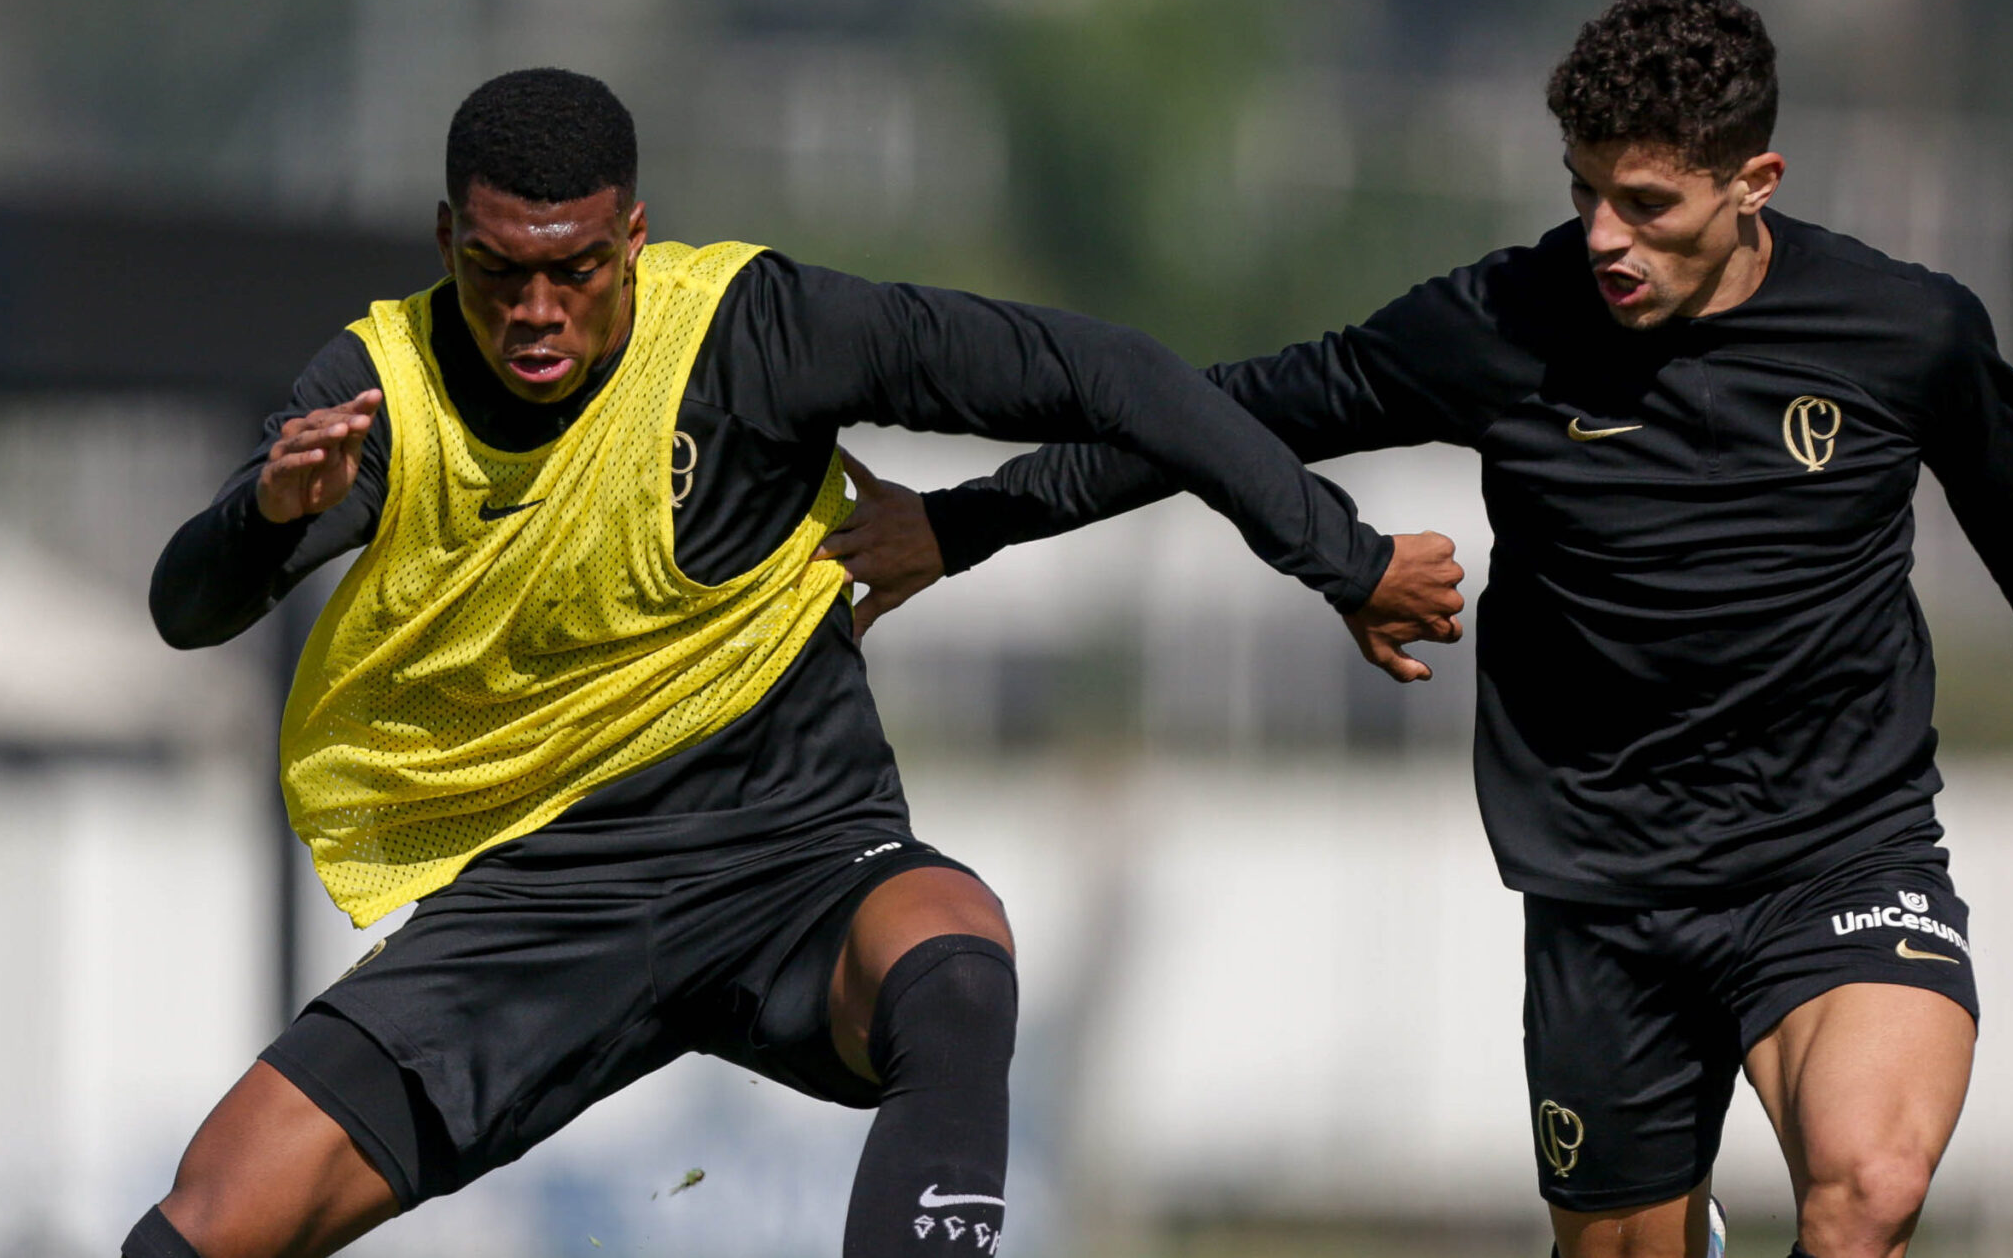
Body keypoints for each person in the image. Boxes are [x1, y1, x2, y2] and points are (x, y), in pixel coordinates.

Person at [824, 0, 2013, 1258]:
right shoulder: (1501, 323)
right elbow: (1225, 417)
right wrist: (966, 522)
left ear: (1757, 183)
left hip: (1836, 846)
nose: (1606, 239)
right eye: (1585, 196)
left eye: (1649, 205)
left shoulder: (1903, 330)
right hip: (1605, 882)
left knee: (1869, 1187)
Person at [130, 68, 1464, 1258]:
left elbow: (1107, 374)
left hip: (795, 854)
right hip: (543, 902)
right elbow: (189, 609)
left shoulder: (754, 334)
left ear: (634, 239)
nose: (536, 310)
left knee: (955, 952)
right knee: (205, 1225)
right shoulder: (377, 389)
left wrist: (1337, 558)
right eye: (498, 272)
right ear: (447, 244)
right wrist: (267, 516)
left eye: (578, 269)